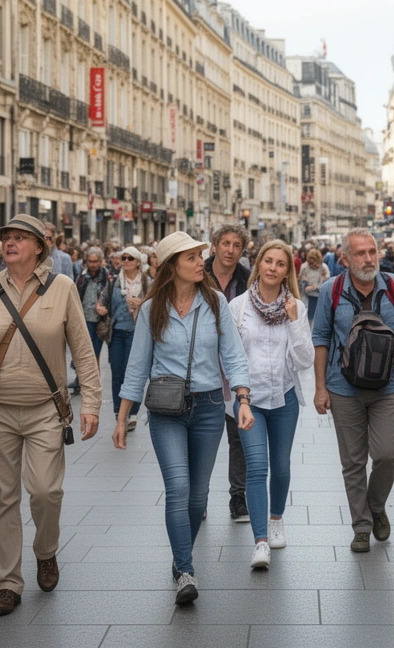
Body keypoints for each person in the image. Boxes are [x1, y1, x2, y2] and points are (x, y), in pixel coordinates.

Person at [0, 214, 102, 617]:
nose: (9, 243)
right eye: (6, 238)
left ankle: (45, 552)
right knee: (3, 497)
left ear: (38, 246)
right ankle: (9, 583)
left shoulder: (62, 287)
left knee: (46, 491)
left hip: (47, 410)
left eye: (19, 238)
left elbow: (83, 350)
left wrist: (94, 404)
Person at [112, 231, 252, 605]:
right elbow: (137, 366)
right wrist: (122, 417)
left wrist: (242, 398)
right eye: (192, 257)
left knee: (197, 496)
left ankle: (180, 558)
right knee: (177, 487)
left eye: (199, 256)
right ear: (173, 265)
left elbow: (234, 355)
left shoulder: (216, 302)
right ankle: (186, 569)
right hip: (166, 410)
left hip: (208, 408)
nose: (199, 263)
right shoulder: (152, 308)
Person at [312, 229, 394, 554]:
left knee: (387, 454)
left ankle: (375, 505)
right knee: (353, 461)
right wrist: (320, 388)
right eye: (360, 253)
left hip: (387, 386)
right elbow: (320, 339)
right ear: (345, 258)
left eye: (372, 251)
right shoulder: (331, 291)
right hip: (343, 387)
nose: (369, 258)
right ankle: (361, 527)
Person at [228, 241, 314, 569]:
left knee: (280, 466)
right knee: (256, 466)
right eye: (268, 261)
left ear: (287, 271)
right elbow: (231, 355)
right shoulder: (238, 307)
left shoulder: (296, 308)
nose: (273, 268)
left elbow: (305, 360)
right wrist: (239, 394)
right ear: (259, 264)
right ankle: (260, 540)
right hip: (248, 400)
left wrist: (294, 321)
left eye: (280, 264)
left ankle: (276, 519)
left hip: (284, 398)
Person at [204, 224, 253, 523]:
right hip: (203, 368)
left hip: (236, 370)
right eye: (225, 243)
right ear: (214, 246)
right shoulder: (195, 273)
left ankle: (238, 497)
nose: (230, 250)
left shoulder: (249, 280)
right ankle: (200, 497)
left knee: (239, 438)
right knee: (204, 438)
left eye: (236, 245)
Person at [100, 245, 150, 433]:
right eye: (124, 258)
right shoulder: (114, 281)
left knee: (134, 373)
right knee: (117, 373)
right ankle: (118, 412)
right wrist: (101, 309)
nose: (126, 261)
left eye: (130, 258)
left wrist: (142, 303)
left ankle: (134, 413)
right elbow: (103, 302)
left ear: (138, 262)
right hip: (117, 333)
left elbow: (155, 303)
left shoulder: (146, 281)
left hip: (138, 333)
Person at [75, 246, 110, 359]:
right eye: (90, 261)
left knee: (96, 354)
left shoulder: (107, 277)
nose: (92, 264)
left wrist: (106, 309)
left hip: (100, 320)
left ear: (100, 261)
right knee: (85, 353)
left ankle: (92, 375)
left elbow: (111, 298)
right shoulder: (82, 277)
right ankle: (81, 376)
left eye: (95, 261)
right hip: (84, 320)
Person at [299, 247, 329, 314]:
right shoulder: (304, 267)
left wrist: (323, 279)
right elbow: (301, 283)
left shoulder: (324, 267)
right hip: (307, 298)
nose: (314, 266)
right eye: (312, 264)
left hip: (320, 297)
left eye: (316, 264)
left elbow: (327, 283)